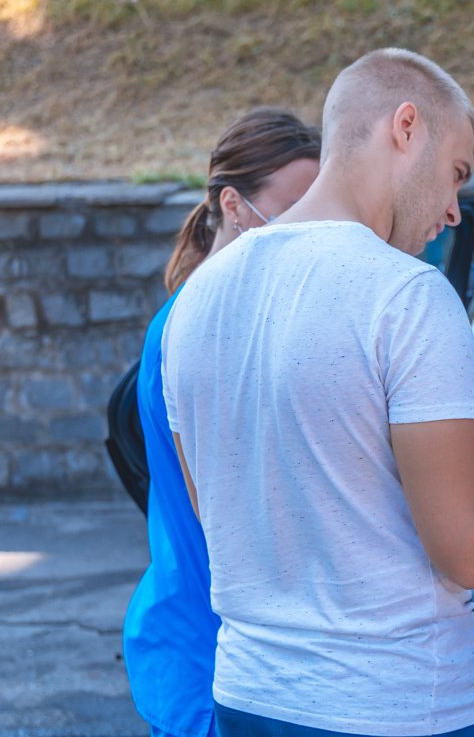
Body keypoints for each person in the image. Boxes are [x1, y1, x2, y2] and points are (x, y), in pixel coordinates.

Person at [160, 48, 474, 737]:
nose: (455, 210)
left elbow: (218, 512)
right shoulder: (407, 294)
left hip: (250, 695)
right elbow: (471, 551)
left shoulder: (195, 303)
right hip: (400, 704)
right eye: (457, 174)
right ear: (406, 127)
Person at [123, 108, 322, 737]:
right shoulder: (202, 329)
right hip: (213, 663)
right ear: (233, 205)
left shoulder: (210, 314)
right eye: (291, 212)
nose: (308, 233)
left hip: (205, 644)